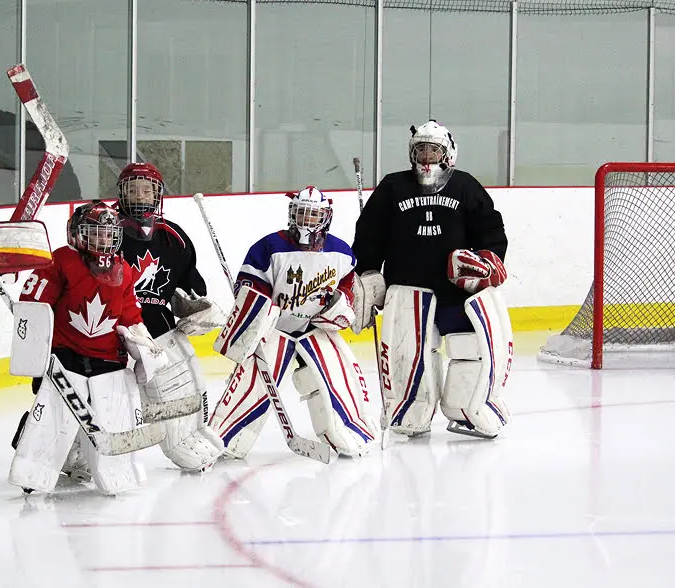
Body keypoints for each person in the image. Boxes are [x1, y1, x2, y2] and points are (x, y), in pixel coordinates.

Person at [351, 120, 512, 440]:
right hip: (409, 289)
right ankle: (411, 411)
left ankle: (467, 408)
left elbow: (490, 229)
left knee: (470, 348)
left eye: (433, 149)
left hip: (457, 291)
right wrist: (368, 272)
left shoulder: (465, 185)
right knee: (410, 353)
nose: (426, 156)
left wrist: (488, 260)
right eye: (420, 149)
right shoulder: (393, 186)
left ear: (448, 152)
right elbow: (370, 233)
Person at [210, 186, 380, 458]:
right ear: (292, 214)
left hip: (317, 329)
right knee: (251, 383)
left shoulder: (340, 251)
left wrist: (343, 302)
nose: (306, 221)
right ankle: (225, 438)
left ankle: (350, 430)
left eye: (313, 216)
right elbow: (251, 286)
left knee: (338, 376)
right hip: (275, 330)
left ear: (325, 218)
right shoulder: (270, 247)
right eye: (301, 214)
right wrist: (257, 307)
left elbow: (348, 285)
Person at [9, 201, 164, 495]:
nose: (103, 240)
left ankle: (110, 469)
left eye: (108, 234)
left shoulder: (125, 271)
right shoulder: (60, 261)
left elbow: (131, 316)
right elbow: (34, 306)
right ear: (78, 233)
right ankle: (33, 467)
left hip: (109, 362)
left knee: (114, 426)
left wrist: (144, 349)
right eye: (96, 233)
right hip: (66, 359)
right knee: (54, 418)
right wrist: (35, 357)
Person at [114, 162, 225, 471]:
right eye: (133, 190)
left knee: (186, 375)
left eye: (146, 190)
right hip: (111, 331)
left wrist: (199, 307)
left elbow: (189, 288)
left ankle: (190, 435)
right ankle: (76, 454)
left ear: (158, 194)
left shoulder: (173, 238)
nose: (140, 196)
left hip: (157, 328)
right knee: (106, 398)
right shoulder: (104, 230)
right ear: (121, 193)